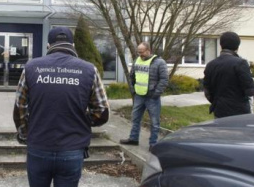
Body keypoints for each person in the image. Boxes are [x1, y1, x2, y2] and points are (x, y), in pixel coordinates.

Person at [13, 26, 110, 187]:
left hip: (39, 146)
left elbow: (19, 108)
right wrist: (81, 121)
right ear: (73, 45)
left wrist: (24, 135)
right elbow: (102, 112)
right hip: (72, 149)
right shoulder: (89, 70)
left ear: (48, 46)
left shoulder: (31, 67)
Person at [120, 42, 168, 150]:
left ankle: (153, 144)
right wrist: (133, 90)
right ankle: (133, 139)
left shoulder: (159, 62)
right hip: (139, 96)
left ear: (148, 50)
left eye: (142, 52)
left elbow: (164, 80)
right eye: (139, 52)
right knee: (135, 118)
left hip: (152, 97)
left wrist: (156, 93)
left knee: (155, 122)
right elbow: (131, 76)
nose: (140, 54)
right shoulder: (137, 60)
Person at [203, 31, 254, 118]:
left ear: (221, 45)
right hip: (240, 113)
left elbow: (207, 91)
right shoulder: (241, 63)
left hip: (219, 111)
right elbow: (250, 91)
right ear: (237, 46)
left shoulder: (211, 65)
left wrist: (217, 101)